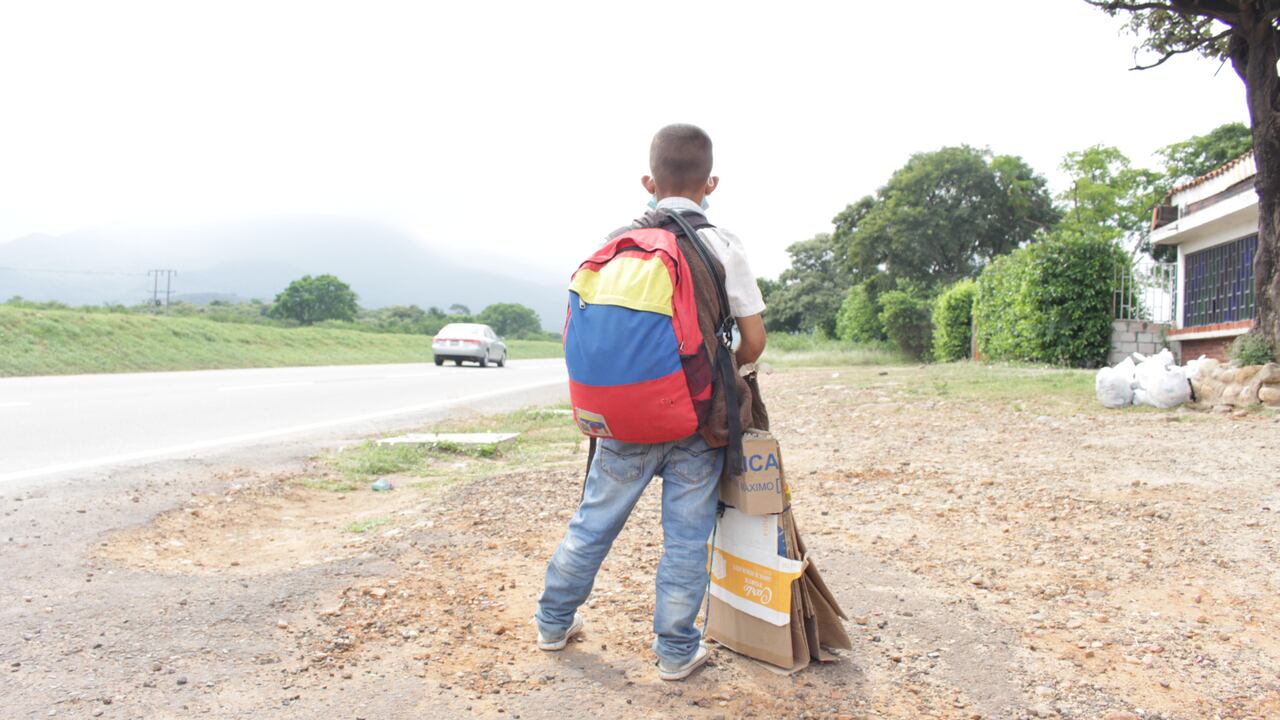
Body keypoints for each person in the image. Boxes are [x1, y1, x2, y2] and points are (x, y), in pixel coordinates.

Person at [534, 124, 767, 680]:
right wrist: (715, 369)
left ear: (648, 180)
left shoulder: (614, 243)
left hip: (621, 419)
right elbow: (754, 341)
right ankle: (675, 652)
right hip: (695, 423)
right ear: (711, 183)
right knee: (686, 539)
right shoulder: (723, 244)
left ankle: (552, 623)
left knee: (592, 525)